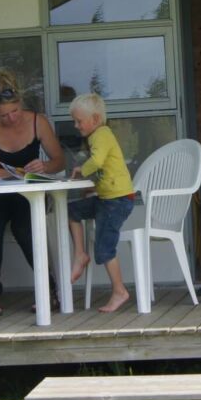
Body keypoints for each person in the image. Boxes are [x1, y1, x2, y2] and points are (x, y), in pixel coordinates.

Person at [0, 69, 66, 317]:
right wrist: (19, 172)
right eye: (3, 115)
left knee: (24, 226)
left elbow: (60, 160)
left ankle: (48, 289)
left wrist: (44, 166)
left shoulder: (38, 121)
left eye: (15, 111)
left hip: (30, 194)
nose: (11, 118)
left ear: (21, 103)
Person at [67, 93, 137, 313]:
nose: (76, 125)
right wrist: (93, 187)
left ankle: (119, 291)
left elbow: (96, 162)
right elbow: (106, 171)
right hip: (107, 198)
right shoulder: (97, 136)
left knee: (104, 248)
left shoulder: (101, 134)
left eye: (79, 121)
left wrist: (81, 169)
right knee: (71, 211)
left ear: (95, 119)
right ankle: (80, 254)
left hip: (117, 201)